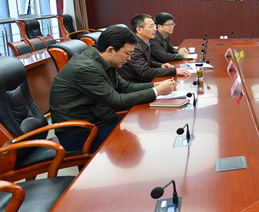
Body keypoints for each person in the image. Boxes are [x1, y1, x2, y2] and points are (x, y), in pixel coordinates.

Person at [49, 26, 178, 152]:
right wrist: (157, 92)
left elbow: (125, 87)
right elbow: (117, 102)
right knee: (145, 138)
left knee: (151, 130)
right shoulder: (86, 68)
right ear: (110, 50)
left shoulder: (102, 60)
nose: (129, 58)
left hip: (102, 121)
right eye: (127, 53)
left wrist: (155, 85)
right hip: (82, 133)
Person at [120, 14, 191, 83]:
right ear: (139, 30)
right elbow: (145, 72)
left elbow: (147, 61)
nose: (155, 29)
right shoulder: (134, 46)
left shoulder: (143, 42)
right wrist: (175, 71)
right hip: (135, 84)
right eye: (151, 26)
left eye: (154, 25)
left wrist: (161, 65)